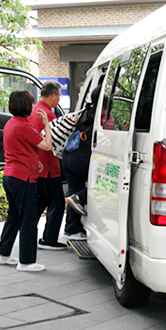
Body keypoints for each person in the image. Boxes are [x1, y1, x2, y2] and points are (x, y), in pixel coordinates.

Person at [0, 90, 53, 272]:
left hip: (10, 175)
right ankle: (26, 261)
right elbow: (47, 145)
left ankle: (2, 253)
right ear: (27, 106)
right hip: (23, 178)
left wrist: (35, 162)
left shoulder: (10, 124)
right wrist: (46, 124)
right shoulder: (24, 126)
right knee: (27, 219)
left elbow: (18, 149)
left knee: (14, 215)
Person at [60, 85, 99, 240]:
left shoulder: (85, 111)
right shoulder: (99, 116)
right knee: (102, 185)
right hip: (81, 158)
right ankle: (81, 198)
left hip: (69, 157)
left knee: (73, 196)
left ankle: (72, 230)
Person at [32, 81, 68, 249]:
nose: (59, 99)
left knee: (40, 201)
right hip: (48, 166)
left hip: (36, 165)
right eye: (59, 96)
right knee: (58, 203)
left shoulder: (32, 111)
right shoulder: (49, 116)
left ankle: (28, 229)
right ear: (52, 96)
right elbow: (54, 142)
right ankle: (49, 239)